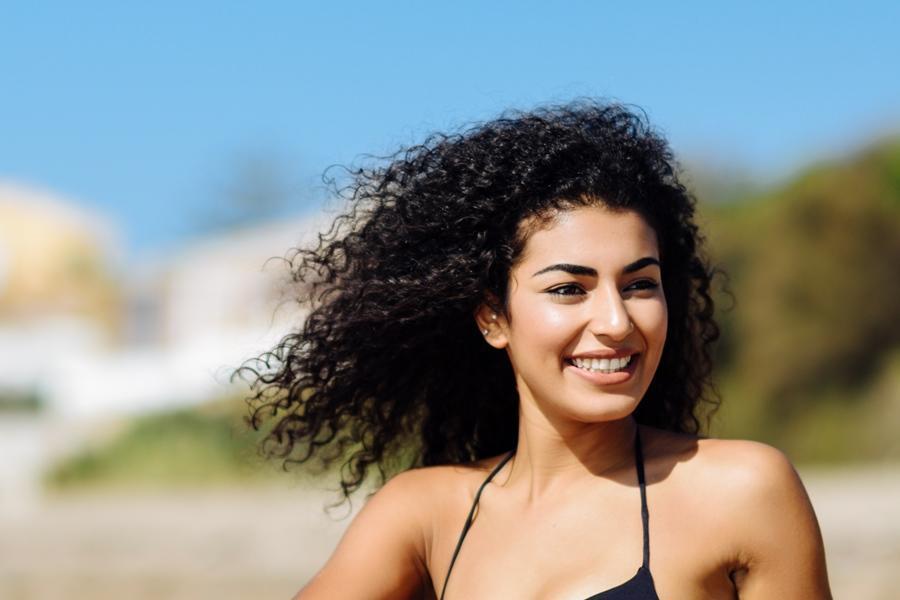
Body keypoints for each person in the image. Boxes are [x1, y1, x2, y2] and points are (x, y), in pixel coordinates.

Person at [244, 101, 832, 599]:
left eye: (640, 284)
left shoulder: (741, 490)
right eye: (567, 289)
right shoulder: (426, 514)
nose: (615, 320)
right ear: (493, 316)